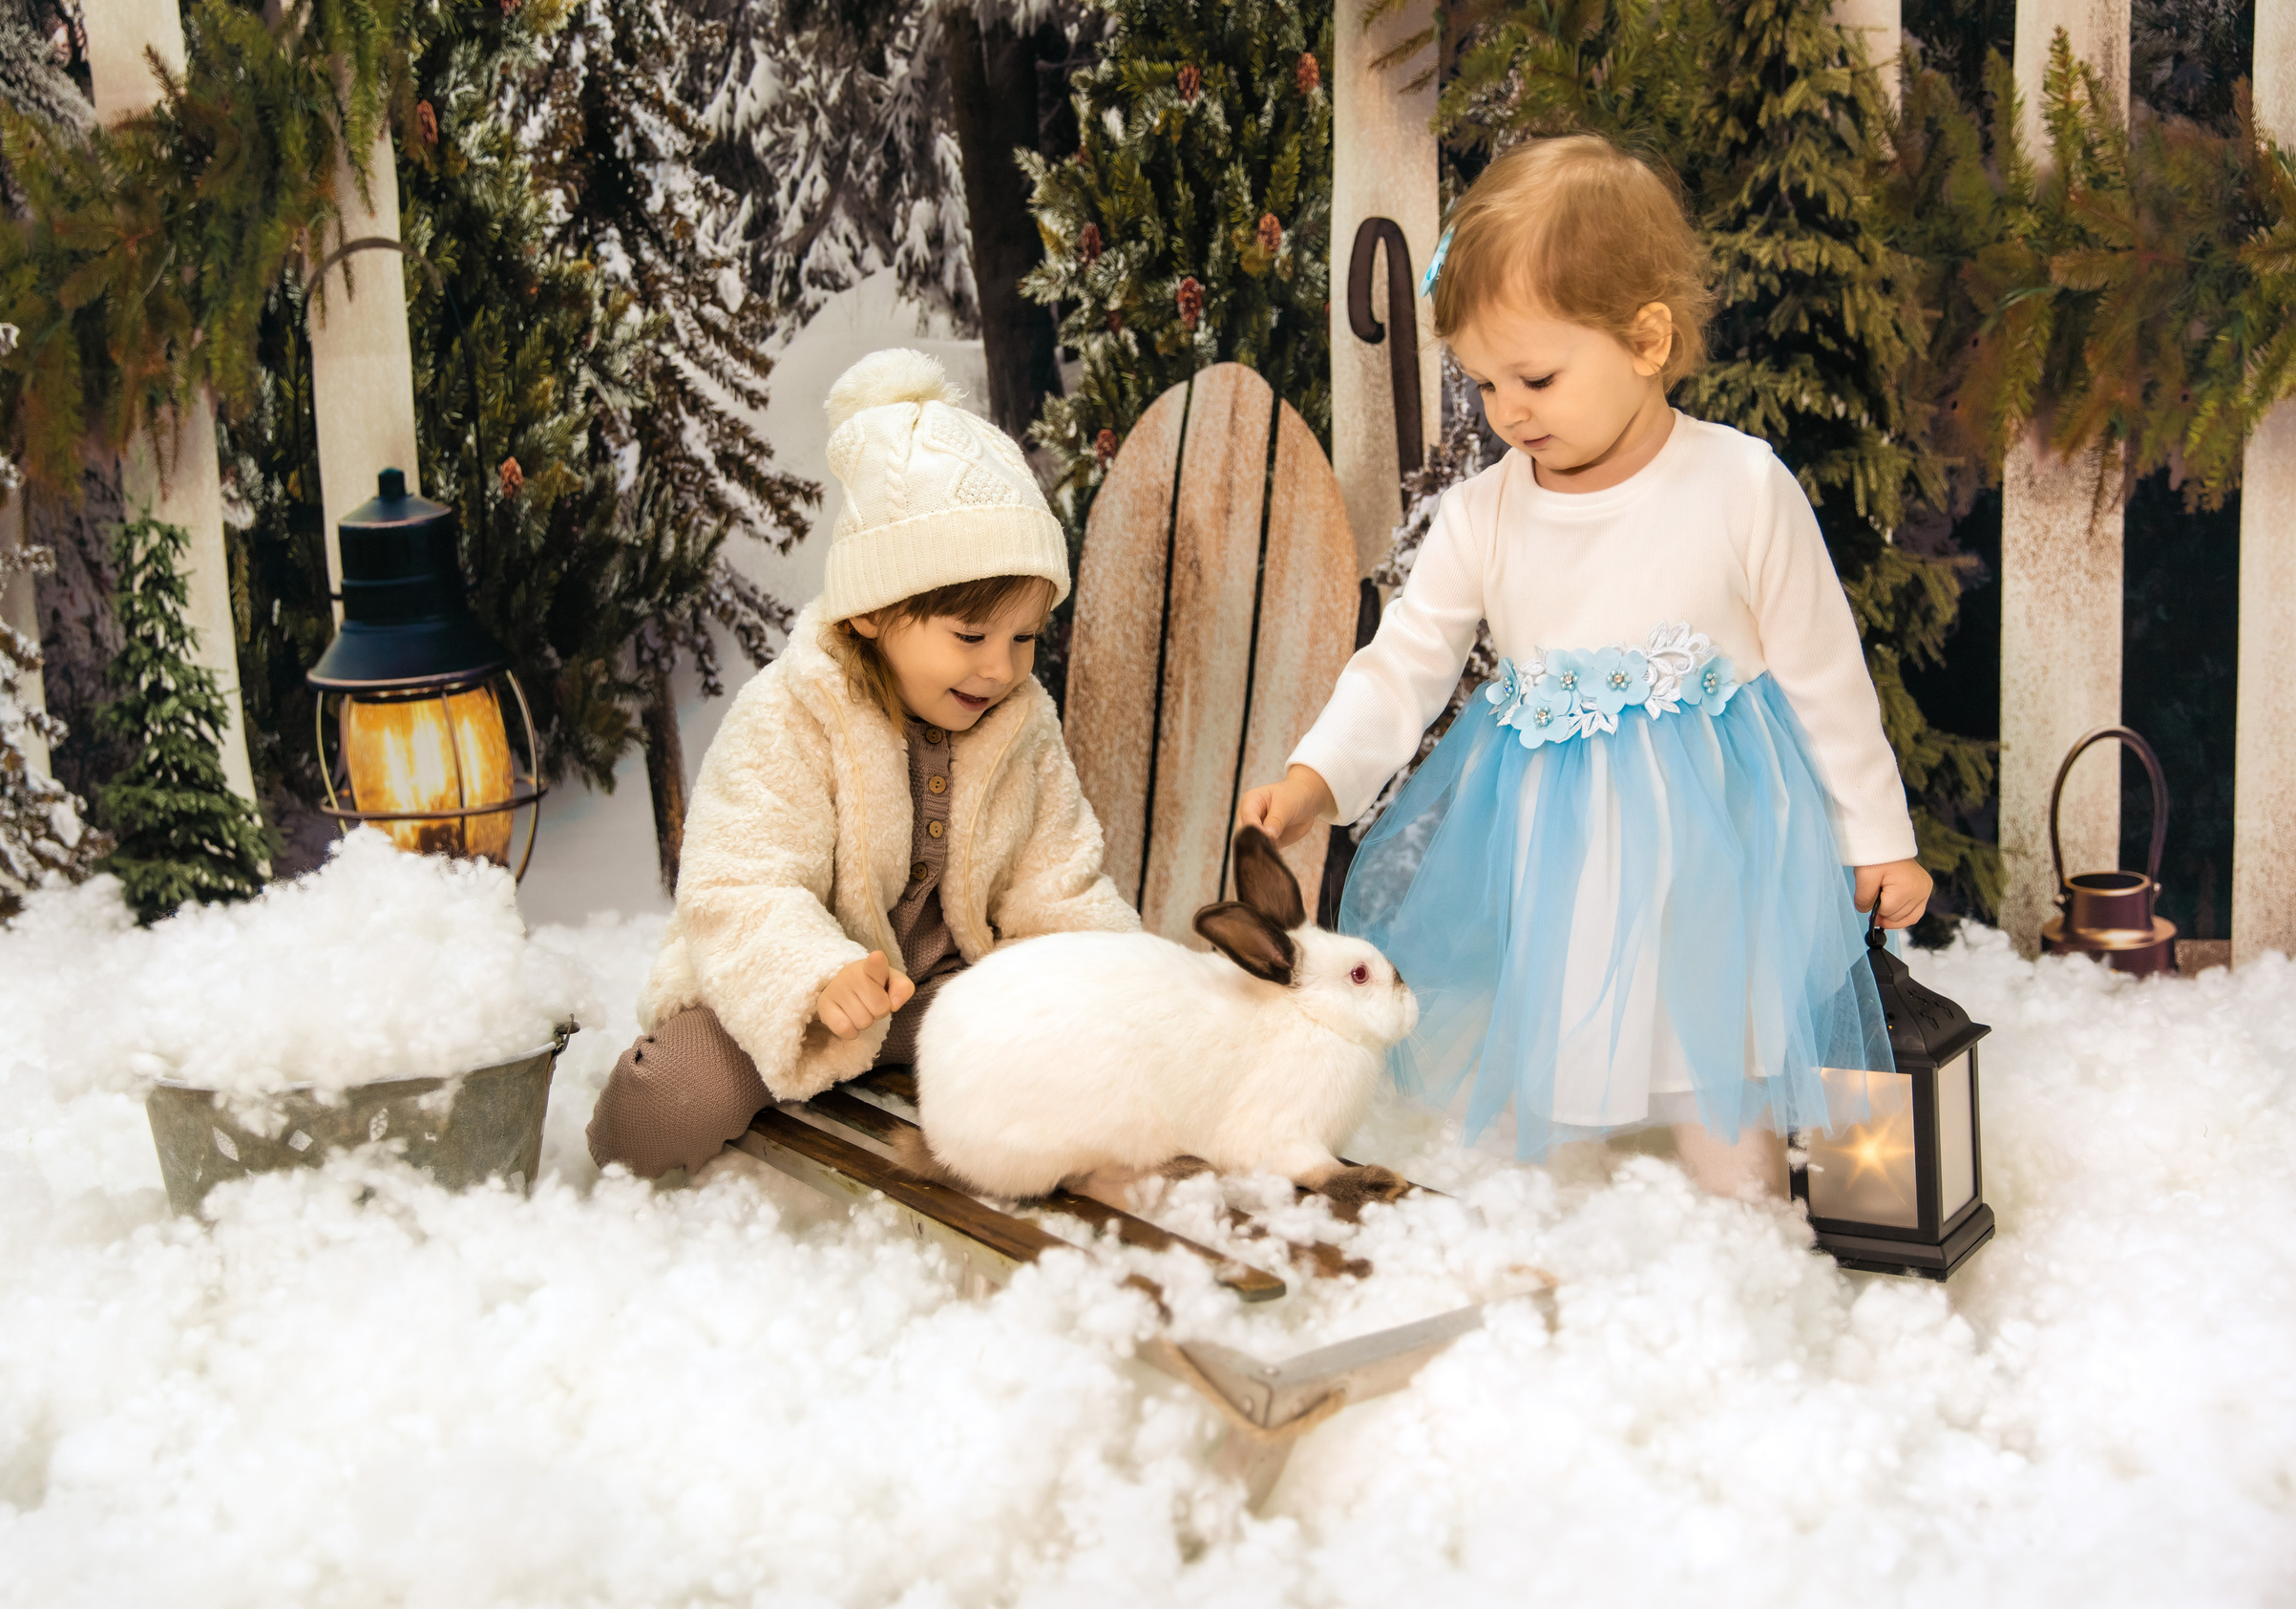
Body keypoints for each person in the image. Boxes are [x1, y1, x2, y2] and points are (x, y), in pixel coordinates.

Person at [1236, 134, 1931, 1200]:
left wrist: (1876, 838)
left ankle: (1735, 1190)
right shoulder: (1484, 516)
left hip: (1714, 836)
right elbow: (1404, 663)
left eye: (1537, 377)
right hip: (1555, 836)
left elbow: (1824, 677)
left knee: (1716, 1020)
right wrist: (1315, 776)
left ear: (1646, 339)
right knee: (1557, 1016)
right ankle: (1552, 1193)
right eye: (1483, 382)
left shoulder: (1740, 487)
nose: (1507, 411)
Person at [589, 349, 1139, 1180]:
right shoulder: (791, 713)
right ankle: (615, 1171)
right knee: (673, 1093)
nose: (1001, 668)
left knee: (1103, 1052)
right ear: (873, 612)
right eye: (970, 635)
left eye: (1025, 637)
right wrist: (817, 974)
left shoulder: (1023, 727)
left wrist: (1118, 986)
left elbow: (1057, 885)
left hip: (947, 998)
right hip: (802, 998)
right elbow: (739, 882)